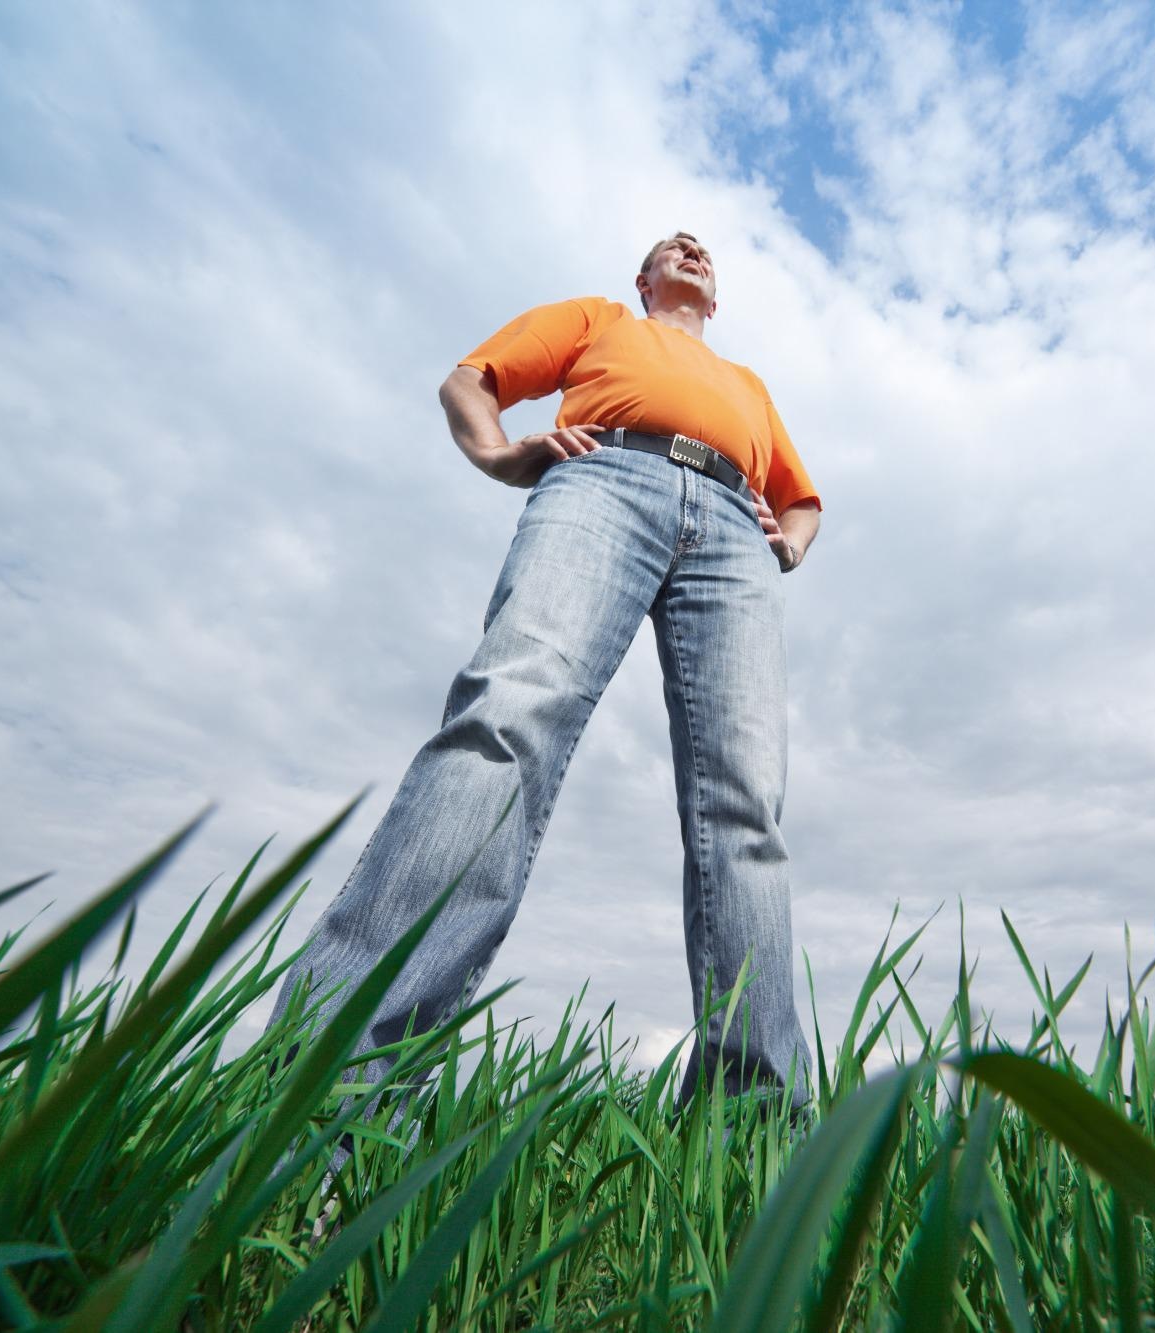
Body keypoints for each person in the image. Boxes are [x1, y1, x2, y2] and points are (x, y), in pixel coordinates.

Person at [269, 231, 821, 1111]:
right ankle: (333, 1091)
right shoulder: (597, 321)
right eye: (668, 247)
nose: (690, 247)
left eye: (703, 250)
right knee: (506, 719)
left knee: (747, 803)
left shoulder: (749, 387)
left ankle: (750, 1134)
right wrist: (495, 453)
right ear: (642, 281)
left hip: (731, 530)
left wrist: (783, 547)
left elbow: (799, 497)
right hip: (606, 475)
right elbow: (471, 379)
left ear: (714, 296)